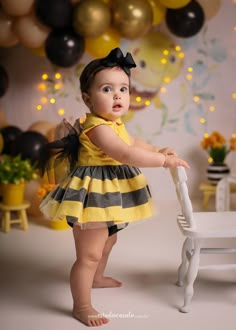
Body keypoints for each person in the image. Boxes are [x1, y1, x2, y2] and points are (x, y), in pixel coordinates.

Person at [40, 47, 189, 327]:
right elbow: (126, 154)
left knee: (109, 241)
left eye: (123, 89)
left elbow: (134, 144)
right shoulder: (97, 128)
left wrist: (158, 148)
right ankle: (81, 305)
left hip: (108, 197)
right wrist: (162, 161)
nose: (118, 95)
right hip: (91, 197)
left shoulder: (115, 123)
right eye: (107, 89)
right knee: (89, 254)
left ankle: (96, 278)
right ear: (88, 99)